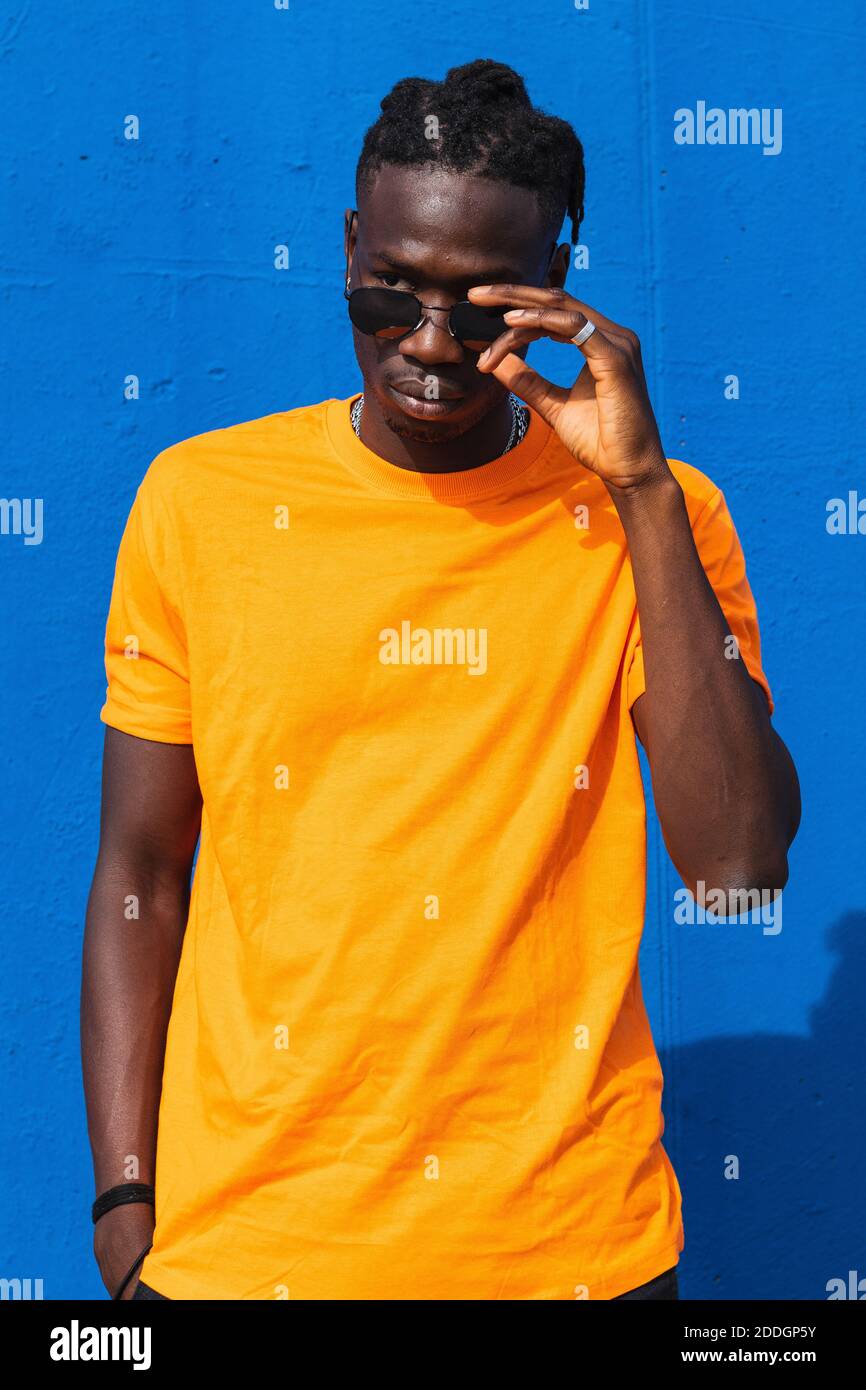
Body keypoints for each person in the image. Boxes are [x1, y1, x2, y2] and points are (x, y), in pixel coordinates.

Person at [82, 58, 800, 1302]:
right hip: (244, 1258)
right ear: (349, 246)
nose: (427, 342)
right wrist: (125, 1201)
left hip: (566, 1257)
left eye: (481, 307)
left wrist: (638, 492)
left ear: (556, 283)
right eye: (391, 292)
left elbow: (734, 871)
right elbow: (142, 869)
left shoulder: (655, 520)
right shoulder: (200, 504)